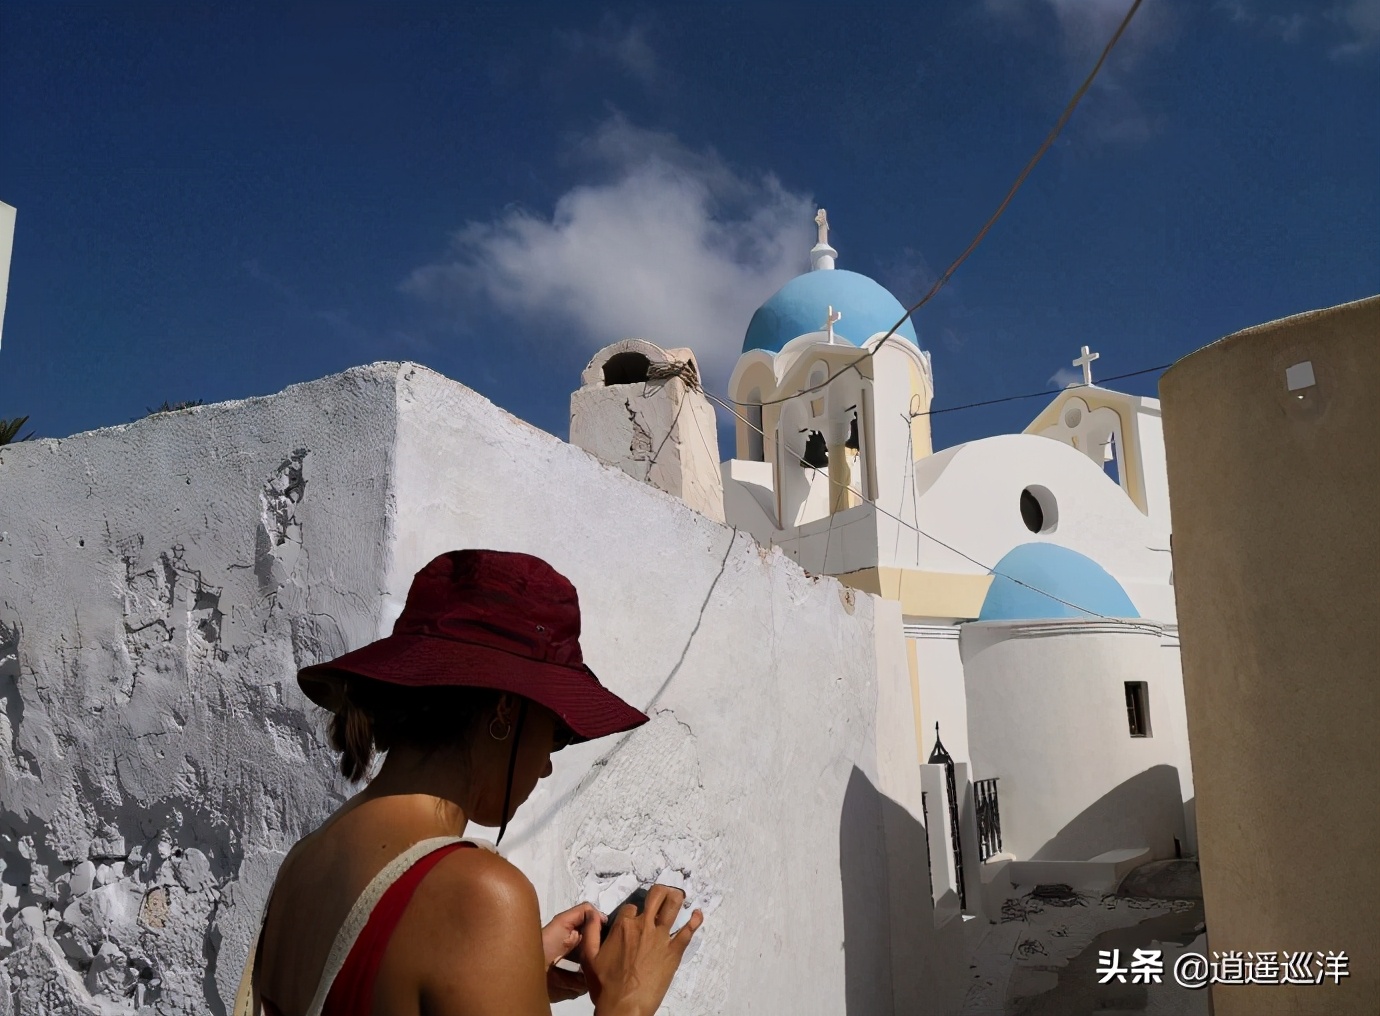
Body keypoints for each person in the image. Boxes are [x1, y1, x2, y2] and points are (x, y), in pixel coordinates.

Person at [234, 549, 703, 1016]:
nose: (545, 766)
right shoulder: (480, 896)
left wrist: (505, 977)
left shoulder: (308, 857)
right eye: (556, 735)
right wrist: (628, 1001)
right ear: (505, 711)